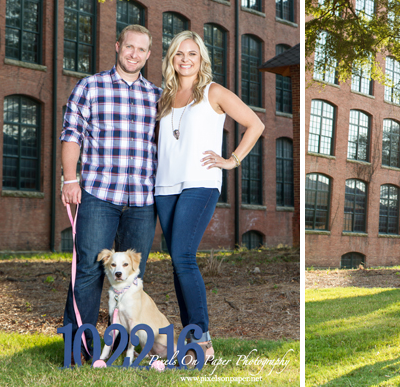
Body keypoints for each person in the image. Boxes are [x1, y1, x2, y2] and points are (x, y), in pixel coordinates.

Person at [155, 31, 264, 366]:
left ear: (201, 58)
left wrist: (232, 159)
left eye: (192, 53)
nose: (185, 59)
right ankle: (191, 338)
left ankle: (202, 340)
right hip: (164, 186)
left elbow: (255, 124)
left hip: (200, 182)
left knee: (184, 256)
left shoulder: (212, 92)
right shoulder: (164, 96)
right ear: (171, 59)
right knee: (177, 260)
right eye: (178, 54)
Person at [60, 24, 161, 363]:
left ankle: (123, 349)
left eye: (141, 49)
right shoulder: (90, 87)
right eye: (128, 46)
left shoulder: (157, 97)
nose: (134, 54)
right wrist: (69, 180)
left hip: (142, 201)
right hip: (99, 195)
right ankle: (78, 351)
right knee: (89, 271)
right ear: (118, 46)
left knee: (131, 277)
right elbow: (72, 134)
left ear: (148, 55)